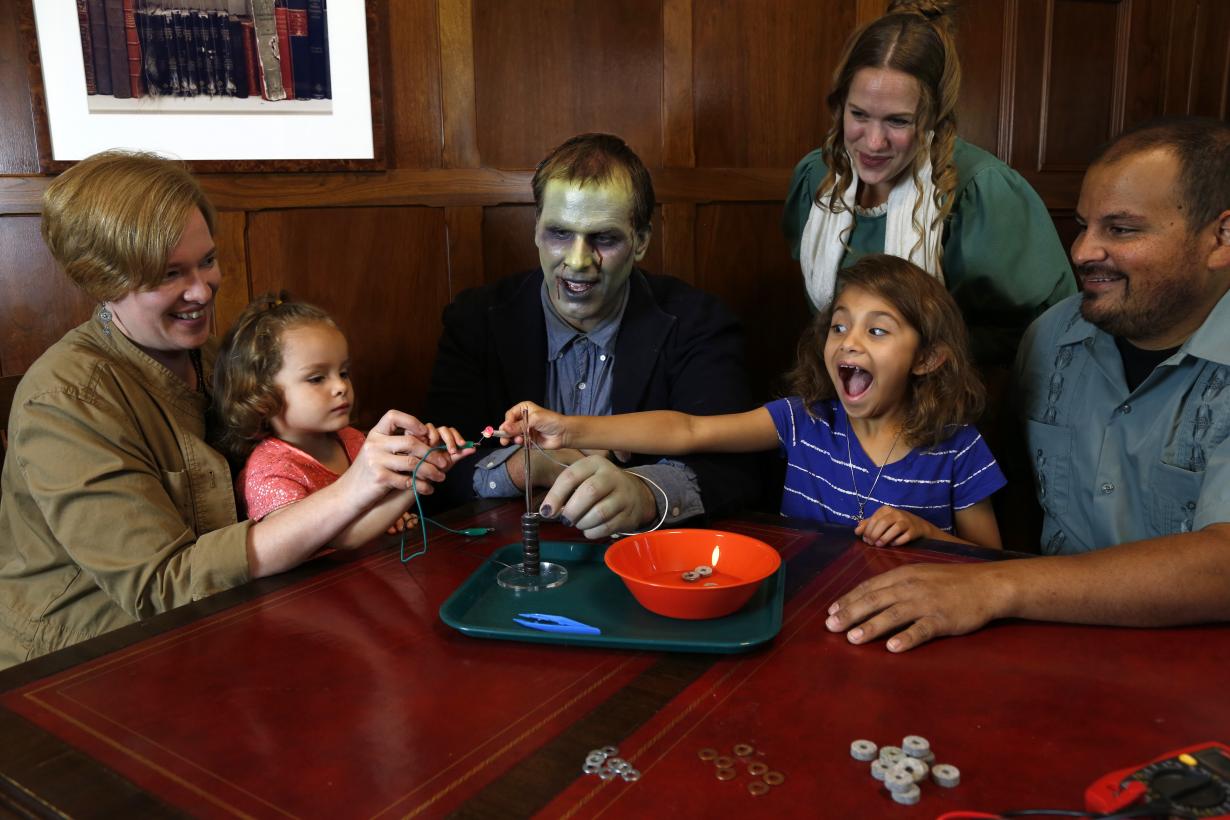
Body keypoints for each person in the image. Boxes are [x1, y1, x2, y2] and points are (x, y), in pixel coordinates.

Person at [0, 151, 455, 668]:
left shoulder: (216, 360)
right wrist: (356, 489)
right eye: (170, 273)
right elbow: (161, 588)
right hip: (83, 665)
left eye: (207, 261)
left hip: (224, 627)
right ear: (104, 281)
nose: (202, 289)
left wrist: (390, 473)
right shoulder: (66, 400)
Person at [824, 116, 1230, 652]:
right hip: (1036, 638)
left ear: (1220, 237)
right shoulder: (1052, 335)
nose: (1082, 251)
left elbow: (1221, 566)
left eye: (1122, 229)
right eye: (1084, 225)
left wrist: (997, 587)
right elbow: (1013, 493)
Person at [503, 254, 1006, 549]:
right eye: (839, 325)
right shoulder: (802, 419)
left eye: (877, 330)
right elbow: (689, 430)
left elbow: (991, 563)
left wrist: (926, 535)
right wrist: (569, 428)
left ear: (928, 359)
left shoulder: (958, 449)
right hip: (805, 608)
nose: (849, 341)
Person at [426, 133, 759, 539]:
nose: (578, 261)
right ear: (535, 230)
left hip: (650, 560)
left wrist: (645, 493)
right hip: (506, 560)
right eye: (560, 234)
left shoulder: (699, 322)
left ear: (641, 242)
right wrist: (524, 468)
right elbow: (436, 467)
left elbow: (738, 470)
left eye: (604, 238)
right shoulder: (475, 320)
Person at [782, 0, 1074, 365]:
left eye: (898, 121)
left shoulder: (980, 190)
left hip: (956, 396)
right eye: (859, 114)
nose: (873, 142)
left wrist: (918, 358)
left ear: (934, 115)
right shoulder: (818, 180)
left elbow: (1042, 331)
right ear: (840, 105)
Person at [211, 294, 472, 543]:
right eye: (317, 378)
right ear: (262, 397)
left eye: (344, 372)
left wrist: (425, 458)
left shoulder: (352, 439)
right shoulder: (268, 472)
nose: (340, 386)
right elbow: (342, 538)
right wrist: (414, 483)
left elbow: (371, 515)